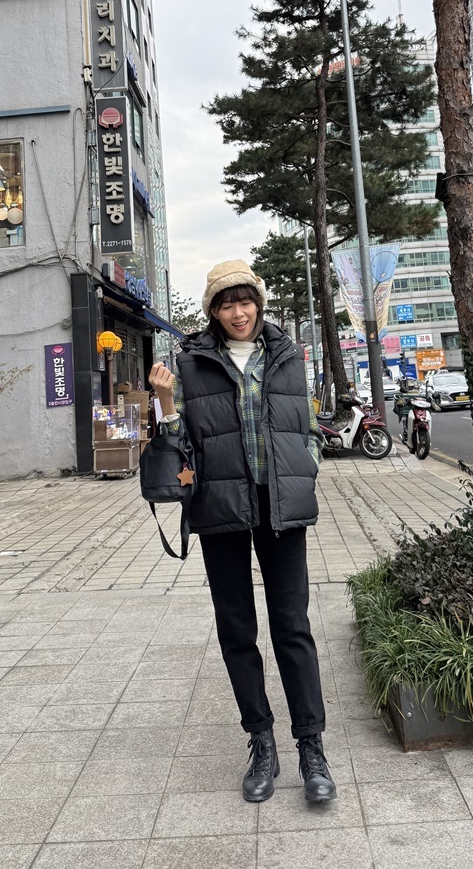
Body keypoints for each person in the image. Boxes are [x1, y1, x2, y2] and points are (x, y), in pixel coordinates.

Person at [148, 260, 335, 806]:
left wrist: (307, 463)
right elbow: (179, 440)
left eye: (245, 300)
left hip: (282, 506)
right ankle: (261, 742)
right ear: (213, 310)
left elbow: (306, 426)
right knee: (236, 629)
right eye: (227, 303)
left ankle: (311, 747)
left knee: (292, 627)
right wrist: (164, 401)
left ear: (259, 303)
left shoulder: (288, 355)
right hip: (220, 506)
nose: (238, 312)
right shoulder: (191, 363)